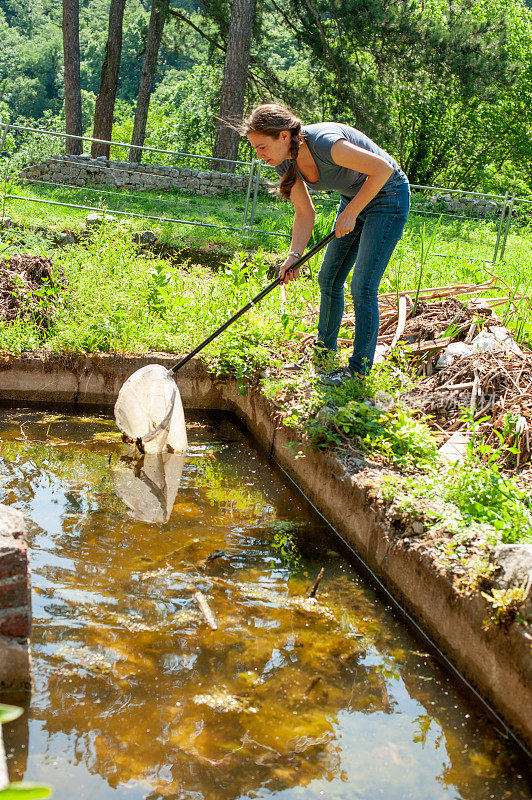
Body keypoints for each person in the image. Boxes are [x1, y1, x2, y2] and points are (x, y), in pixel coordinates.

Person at [242, 103, 410, 386]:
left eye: (261, 147)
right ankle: (324, 354)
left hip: (388, 195)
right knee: (328, 278)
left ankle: (358, 371)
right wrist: (294, 256)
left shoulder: (326, 143)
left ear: (283, 136)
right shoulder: (284, 160)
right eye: (255, 149)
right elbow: (305, 213)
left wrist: (352, 212)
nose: (259, 156)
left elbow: (383, 169)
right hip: (354, 200)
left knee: (363, 286)